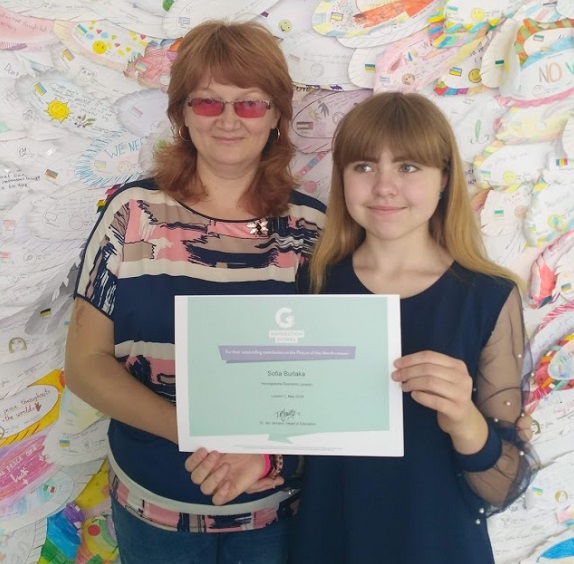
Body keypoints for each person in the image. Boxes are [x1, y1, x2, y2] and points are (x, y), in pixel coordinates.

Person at [64, 20, 325, 564]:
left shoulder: (314, 229)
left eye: (250, 103)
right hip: (152, 508)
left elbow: (332, 379)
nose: (229, 119)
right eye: (207, 101)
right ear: (181, 113)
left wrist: (264, 455)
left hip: (275, 514)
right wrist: (194, 430)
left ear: (276, 115)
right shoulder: (132, 214)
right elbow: (85, 365)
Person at [288, 92, 538, 563]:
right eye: (364, 166)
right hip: (331, 540)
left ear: (444, 178)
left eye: (408, 167)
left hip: (438, 547)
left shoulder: (488, 297)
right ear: (342, 178)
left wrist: (464, 419)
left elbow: (503, 486)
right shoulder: (313, 284)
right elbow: (297, 436)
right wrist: (256, 456)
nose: (384, 187)